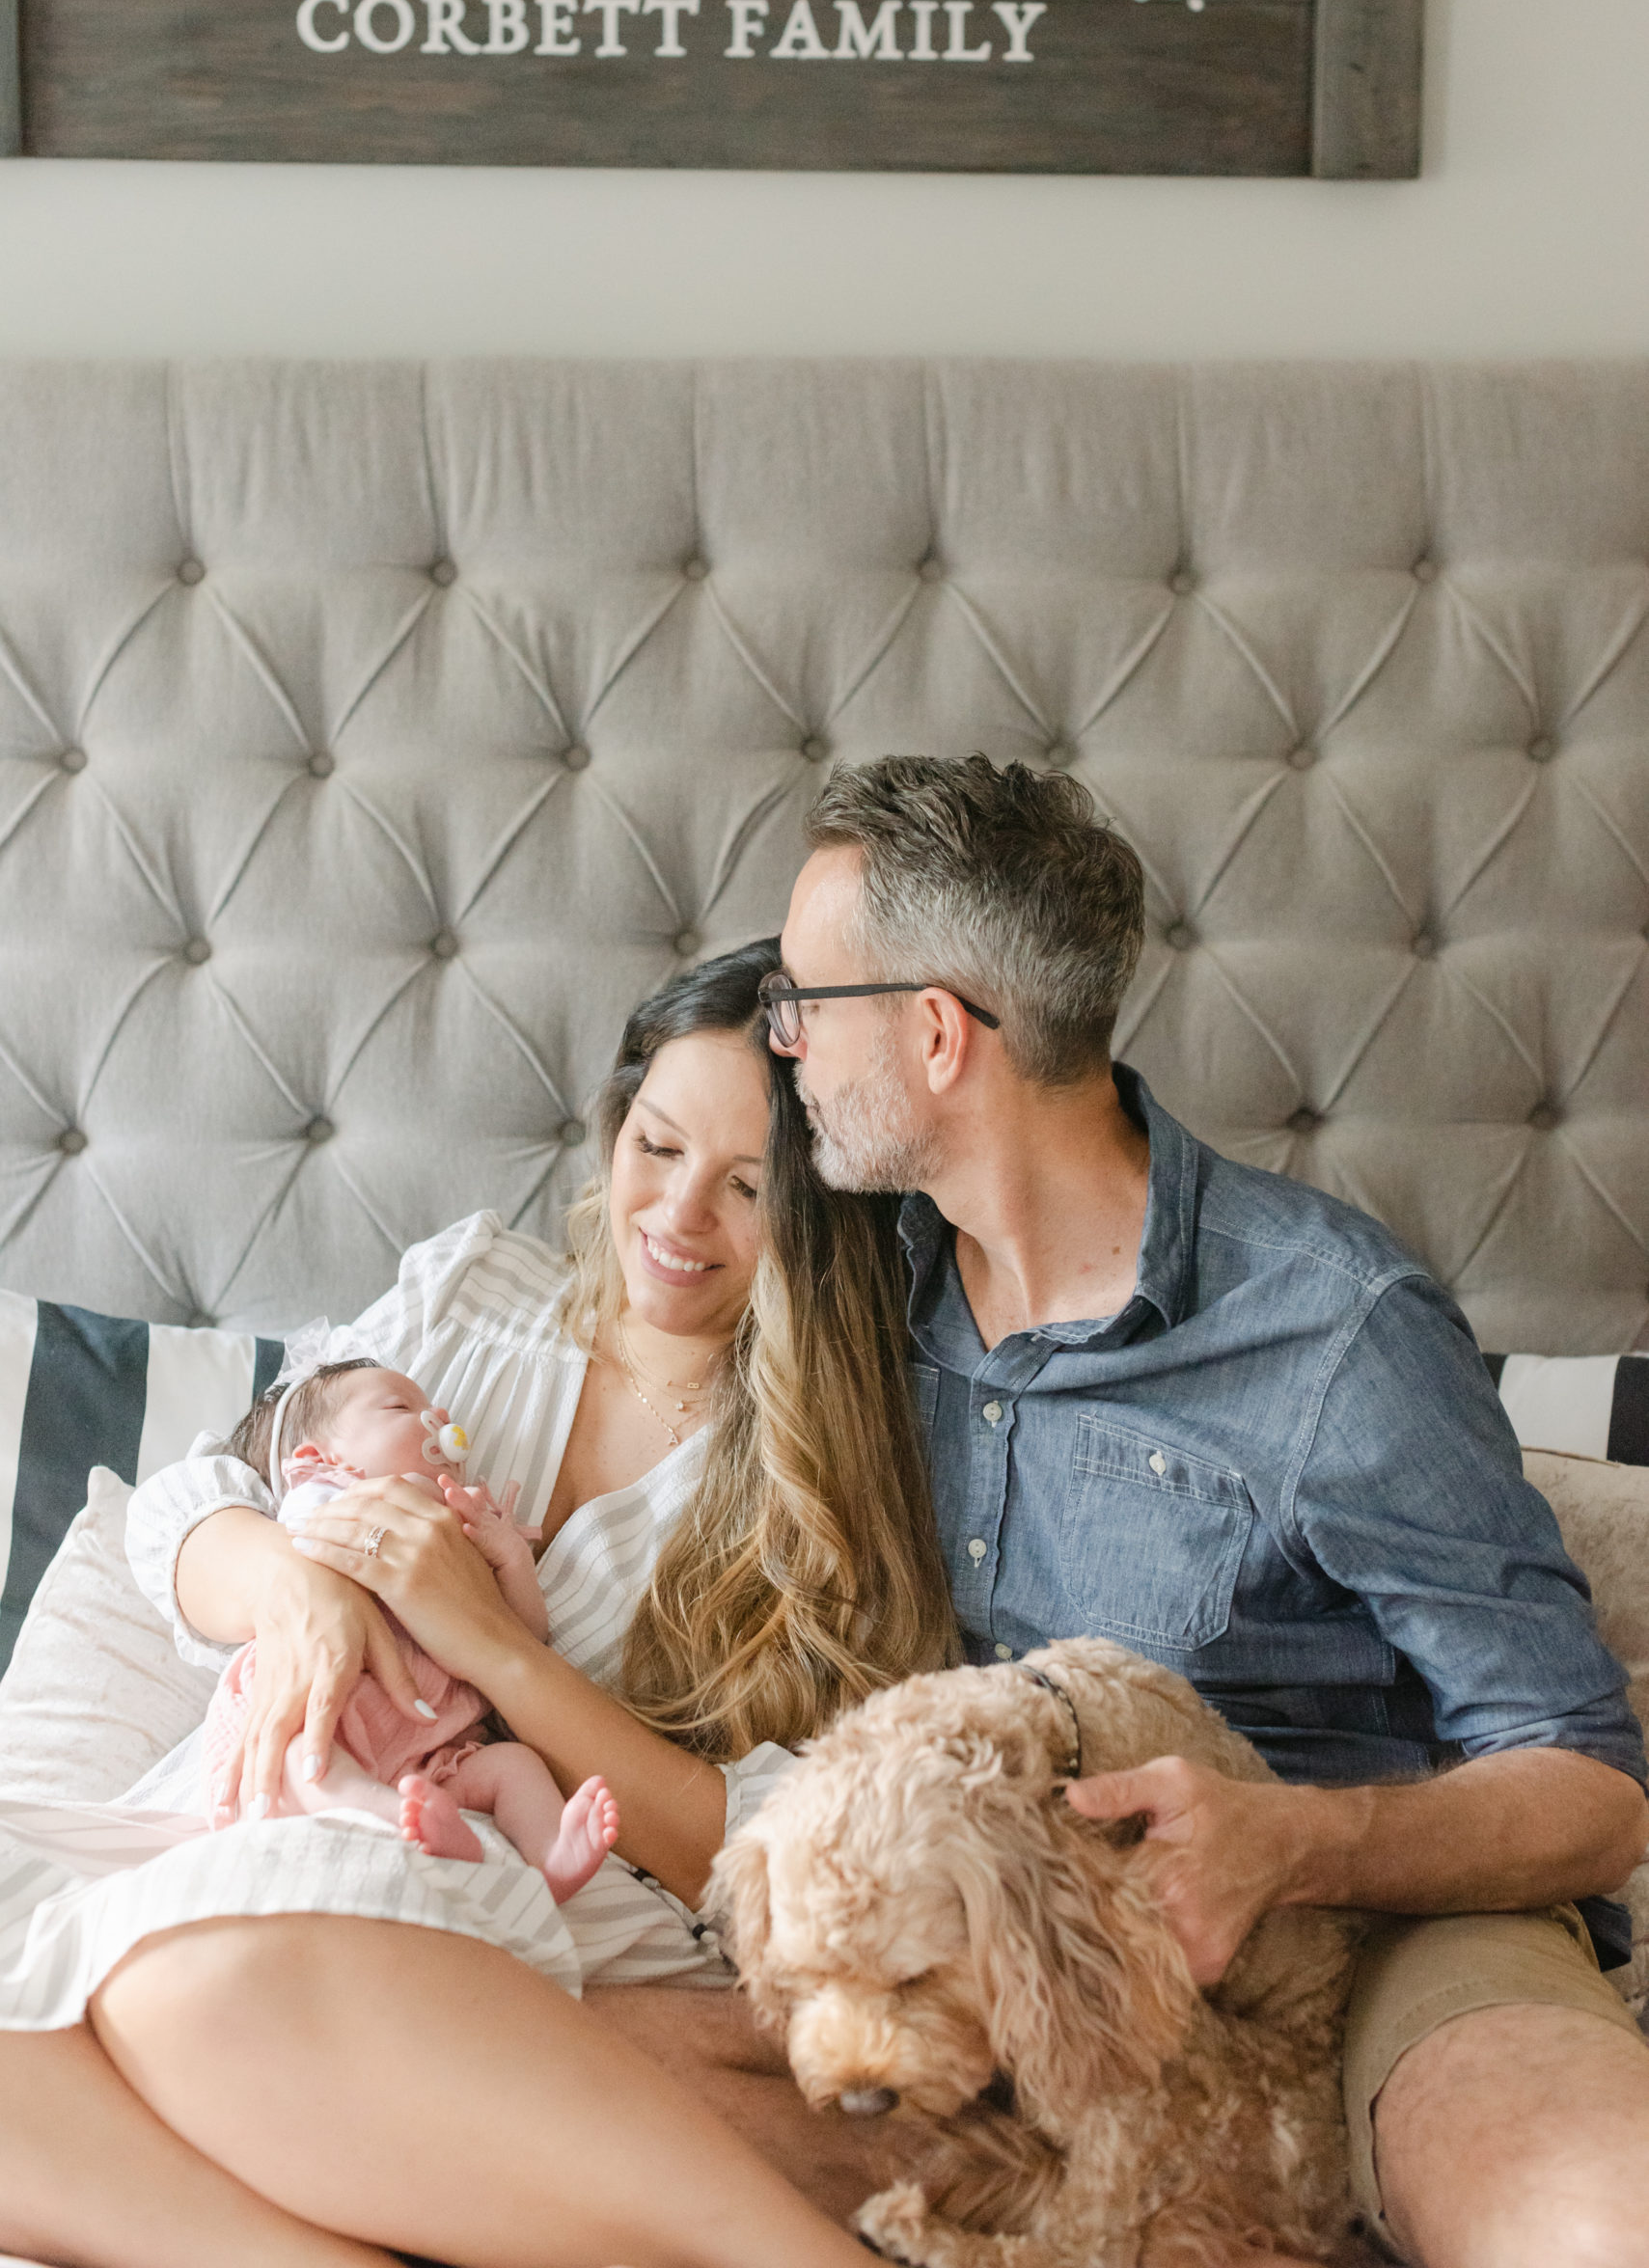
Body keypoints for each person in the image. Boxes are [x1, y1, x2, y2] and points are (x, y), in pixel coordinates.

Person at [729, 752, 1646, 2268]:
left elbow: (1590, 1788)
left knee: (1594, 2223)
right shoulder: (861, 1313)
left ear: (936, 1033)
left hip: (1387, 1931)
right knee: (486, 2071)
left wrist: (1292, 1842)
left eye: (801, 1008)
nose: (787, 1053)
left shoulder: (1335, 1330)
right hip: (1005, 1970)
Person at [0, 938, 953, 2268]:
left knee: (193, 1985)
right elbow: (188, 1503)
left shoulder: (823, 1484)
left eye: (748, 1188)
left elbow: (777, 1860)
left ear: (823, 1220)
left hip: (483, 1915)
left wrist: (492, 1647)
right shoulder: (464, 1308)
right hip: (261, 1836)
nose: (678, 1219)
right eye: (658, 1148)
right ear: (615, 1123)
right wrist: (289, 1586)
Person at [199, 1357, 620, 1895]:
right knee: (297, 1762)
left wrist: (510, 1557)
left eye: (435, 1408)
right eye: (401, 1407)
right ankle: (390, 1816)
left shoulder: (469, 1531)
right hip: (324, 1704)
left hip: (432, 1746)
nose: (438, 1418)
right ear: (319, 1458)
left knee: (514, 1765)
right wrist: (426, 1503)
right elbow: (311, 1542)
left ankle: (550, 1857)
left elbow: (526, 1635)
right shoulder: (320, 1492)